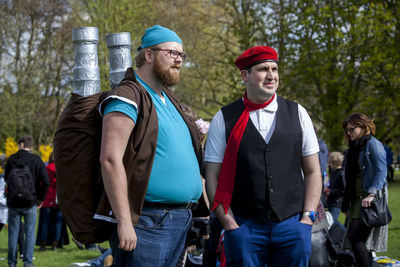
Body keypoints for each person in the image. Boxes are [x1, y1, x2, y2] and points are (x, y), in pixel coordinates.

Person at [205, 46, 321, 266]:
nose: (271, 75)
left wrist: (307, 218)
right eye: (263, 69)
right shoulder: (224, 117)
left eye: (274, 69)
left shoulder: (298, 112)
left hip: (292, 224)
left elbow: (313, 170)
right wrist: (228, 222)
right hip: (244, 225)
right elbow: (212, 175)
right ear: (244, 75)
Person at [98, 25, 203, 267]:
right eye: (172, 53)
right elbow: (110, 160)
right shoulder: (128, 96)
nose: (179, 60)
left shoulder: (169, 99)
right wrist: (124, 222)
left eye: (182, 55)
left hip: (179, 219)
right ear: (149, 55)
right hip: (147, 221)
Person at [341, 113, 387, 267]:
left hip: (368, 199)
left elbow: (381, 171)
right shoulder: (355, 147)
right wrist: (347, 202)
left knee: (355, 237)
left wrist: (372, 194)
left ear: (363, 127)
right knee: (356, 238)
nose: (348, 133)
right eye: (347, 130)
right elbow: (351, 176)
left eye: (352, 129)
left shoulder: (373, 144)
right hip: (356, 199)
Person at [5, 136, 49, 267]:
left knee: (13, 232)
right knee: (29, 232)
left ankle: (12, 263)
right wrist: (40, 198)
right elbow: (45, 180)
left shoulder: (12, 159)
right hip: (30, 201)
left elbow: (7, 178)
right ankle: (27, 262)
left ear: (22, 144)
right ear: (30, 146)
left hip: (13, 202)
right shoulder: (36, 159)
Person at [36, 152, 66, 250]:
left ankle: (43, 243)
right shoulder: (61, 169)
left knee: (45, 223)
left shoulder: (46, 168)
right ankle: (55, 243)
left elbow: (41, 183)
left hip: (47, 199)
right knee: (58, 223)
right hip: (58, 200)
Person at [324, 152, 346, 225]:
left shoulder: (341, 174)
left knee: (332, 222)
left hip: (337, 202)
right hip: (331, 201)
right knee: (329, 221)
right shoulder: (334, 173)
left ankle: (343, 232)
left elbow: (344, 190)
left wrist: (331, 191)